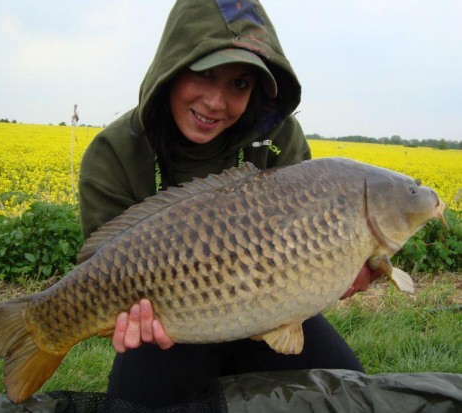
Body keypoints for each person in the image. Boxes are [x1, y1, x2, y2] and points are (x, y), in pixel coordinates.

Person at [79, 0, 379, 408]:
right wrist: (124, 319)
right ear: (172, 67)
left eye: (239, 84)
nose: (216, 102)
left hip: (272, 308)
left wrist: (342, 268)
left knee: (345, 390)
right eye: (204, 75)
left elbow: (315, 243)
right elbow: (101, 269)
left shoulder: (280, 138)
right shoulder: (114, 152)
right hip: (171, 320)